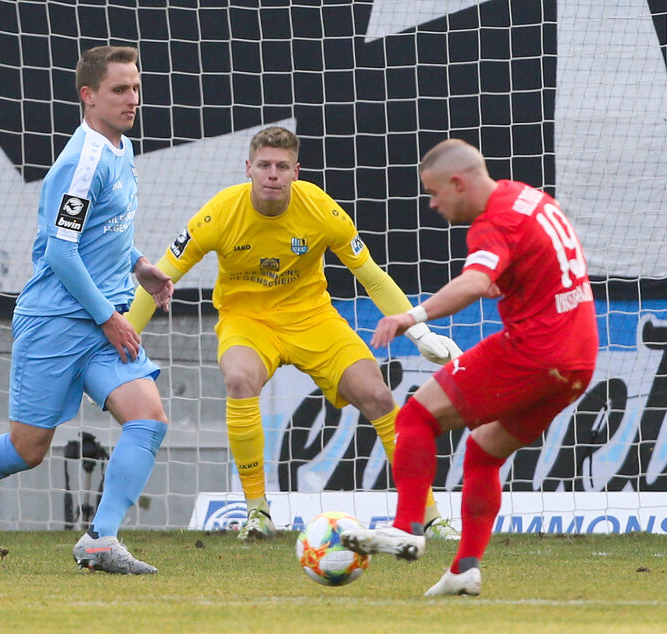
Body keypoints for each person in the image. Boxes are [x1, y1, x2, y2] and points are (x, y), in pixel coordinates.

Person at [0, 46, 175, 575]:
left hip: (100, 323)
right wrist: (108, 315)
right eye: (120, 90)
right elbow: (60, 251)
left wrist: (140, 264)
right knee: (27, 450)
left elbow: (106, 233)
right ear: (88, 95)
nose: (132, 99)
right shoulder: (82, 162)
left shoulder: (123, 149)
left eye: (136, 88)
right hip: (55, 323)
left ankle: (100, 538)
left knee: (148, 419)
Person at [127, 126, 463, 541]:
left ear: (296, 172)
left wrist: (419, 332)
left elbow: (372, 276)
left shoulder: (321, 209)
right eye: (264, 165)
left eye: (282, 167)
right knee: (238, 378)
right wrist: (125, 342)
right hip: (247, 321)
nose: (272, 174)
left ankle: (428, 515)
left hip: (312, 318)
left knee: (377, 395)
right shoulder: (218, 214)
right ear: (248, 168)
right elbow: (158, 279)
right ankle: (257, 513)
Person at [340, 139, 598, 596]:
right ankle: (464, 569)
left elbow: (477, 281)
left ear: (458, 182)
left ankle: (406, 526)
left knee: (417, 416)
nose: (433, 204)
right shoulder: (529, 197)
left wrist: (410, 317)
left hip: (534, 351)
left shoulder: (491, 222)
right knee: (483, 452)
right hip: (579, 359)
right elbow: (535, 265)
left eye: (435, 193)